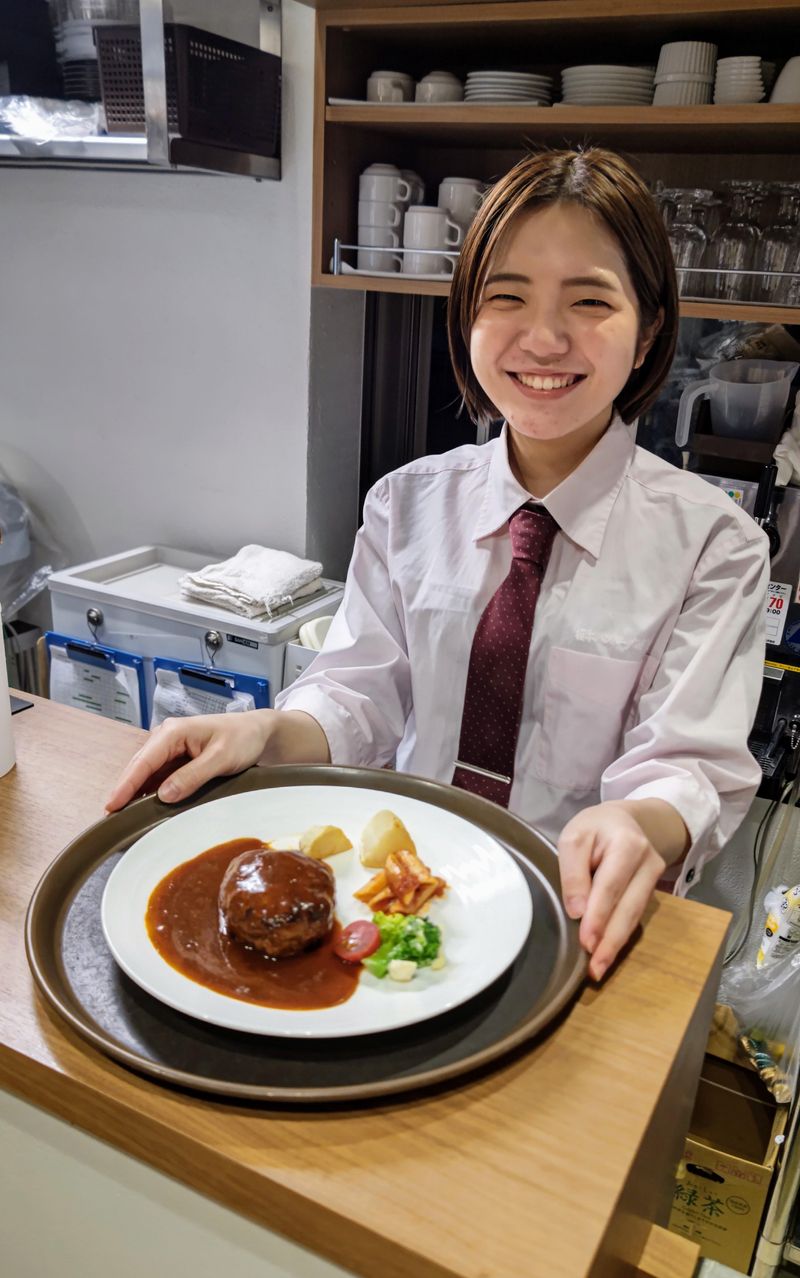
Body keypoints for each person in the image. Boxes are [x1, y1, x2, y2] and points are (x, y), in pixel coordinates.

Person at [107, 147, 769, 982]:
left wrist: (641, 820)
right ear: (467, 318)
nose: (544, 336)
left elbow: (687, 762)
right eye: (508, 296)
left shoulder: (715, 543)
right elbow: (358, 695)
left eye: (591, 300)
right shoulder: (405, 505)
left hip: (580, 924)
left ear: (648, 334)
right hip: (406, 910)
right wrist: (266, 728)